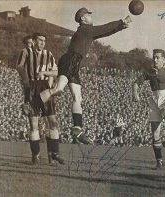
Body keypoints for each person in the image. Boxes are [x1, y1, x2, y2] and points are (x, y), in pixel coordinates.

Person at [22, 7, 132, 143]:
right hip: (70, 60)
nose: (91, 17)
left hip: (74, 63)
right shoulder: (85, 29)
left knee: (78, 97)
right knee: (58, 89)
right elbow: (103, 28)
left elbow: (104, 34)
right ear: (83, 19)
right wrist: (121, 21)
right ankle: (31, 104)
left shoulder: (87, 31)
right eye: (88, 15)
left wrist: (120, 27)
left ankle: (77, 128)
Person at [17, 32, 65, 165]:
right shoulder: (26, 52)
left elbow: (56, 72)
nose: (42, 42)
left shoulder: (49, 55)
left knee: (53, 121)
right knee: (34, 124)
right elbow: (19, 66)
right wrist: (26, 80)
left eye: (44, 40)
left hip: (45, 87)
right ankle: (36, 155)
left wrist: (46, 73)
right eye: (40, 40)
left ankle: (54, 154)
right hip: (31, 87)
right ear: (34, 40)